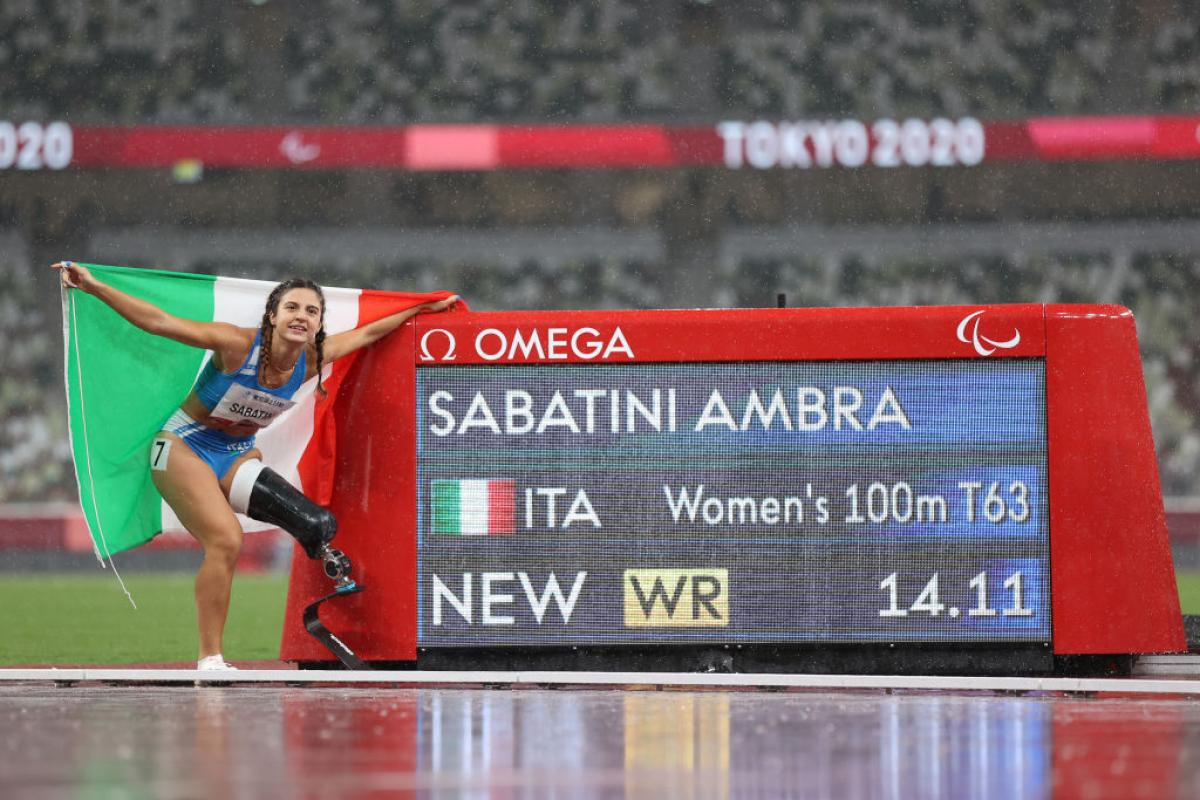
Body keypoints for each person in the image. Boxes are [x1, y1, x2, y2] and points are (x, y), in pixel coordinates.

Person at [53, 261, 458, 670]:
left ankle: (338, 595)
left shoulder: (314, 359)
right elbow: (159, 322)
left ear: (319, 324)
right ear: (273, 316)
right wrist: (95, 287)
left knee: (314, 523)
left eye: (312, 311)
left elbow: (370, 331)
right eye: (293, 308)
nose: (301, 316)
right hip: (182, 447)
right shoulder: (234, 345)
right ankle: (210, 658)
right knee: (227, 541)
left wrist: (422, 308)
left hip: (234, 453)